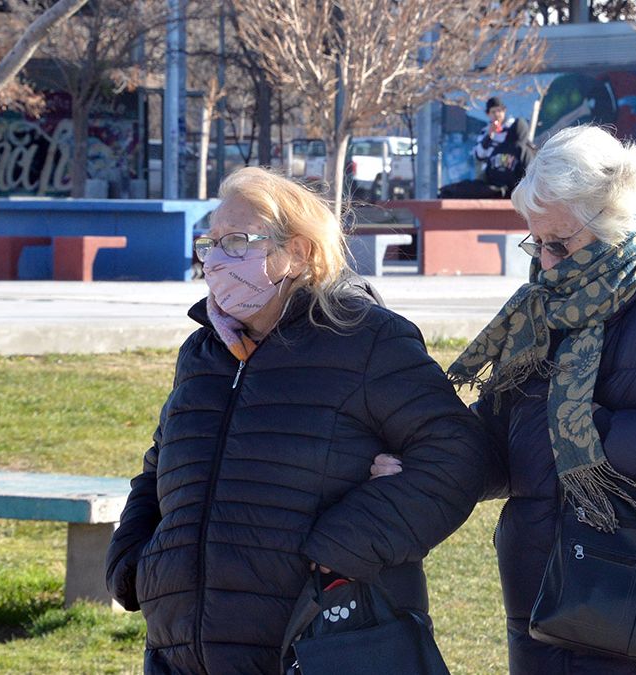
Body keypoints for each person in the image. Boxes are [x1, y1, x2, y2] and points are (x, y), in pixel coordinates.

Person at [376, 125, 636, 673]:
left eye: (560, 243)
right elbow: (508, 439)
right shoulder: (545, 307)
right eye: (536, 241)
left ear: (614, 226)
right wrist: (424, 462)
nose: (546, 262)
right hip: (558, 616)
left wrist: (596, 435)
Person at [105, 167, 488, 674]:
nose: (216, 259)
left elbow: (459, 455)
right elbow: (161, 467)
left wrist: (346, 544)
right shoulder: (203, 352)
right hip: (182, 653)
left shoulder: (366, 338)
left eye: (238, 241)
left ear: (300, 252)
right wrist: (132, 559)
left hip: (311, 644)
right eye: (211, 242)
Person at [438, 96, 535, 199]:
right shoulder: (485, 131)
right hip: (491, 169)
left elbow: (521, 144)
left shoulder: (512, 127)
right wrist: (490, 135)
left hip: (510, 170)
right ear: (488, 114)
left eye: (499, 111)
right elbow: (479, 155)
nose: (497, 115)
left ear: (504, 110)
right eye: (493, 112)